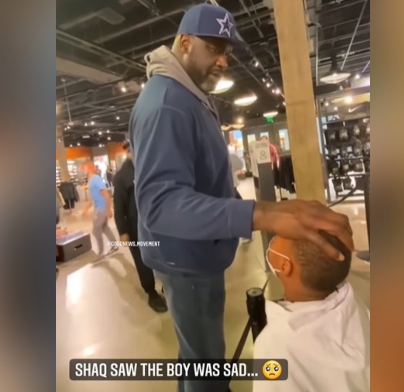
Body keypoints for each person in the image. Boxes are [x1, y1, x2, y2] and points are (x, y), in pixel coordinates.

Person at [129, 4, 354, 392]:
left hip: (202, 253)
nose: (223, 60)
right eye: (214, 48)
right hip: (186, 261)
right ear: (184, 43)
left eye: (227, 51)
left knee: (197, 354)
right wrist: (260, 213)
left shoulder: (191, 94)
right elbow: (159, 205)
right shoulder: (166, 105)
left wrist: (234, 197)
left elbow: (204, 170)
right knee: (205, 364)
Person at [252, 232, 370, 392]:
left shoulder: (274, 344)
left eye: (278, 237)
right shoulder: (355, 305)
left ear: (285, 266)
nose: (272, 240)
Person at [112, 142, 168, 313]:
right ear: (128, 152)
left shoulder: (150, 168)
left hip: (157, 223)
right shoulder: (122, 177)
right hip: (136, 228)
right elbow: (119, 206)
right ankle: (151, 292)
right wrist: (123, 232)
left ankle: (167, 285)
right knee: (142, 261)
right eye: (132, 150)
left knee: (163, 255)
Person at [81, 162, 118, 257]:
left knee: (96, 230)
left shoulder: (96, 179)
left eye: (84, 169)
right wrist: (85, 210)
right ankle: (114, 245)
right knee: (104, 228)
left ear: (89, 169)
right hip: (99, 208)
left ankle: (101, 252)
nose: (82, 171)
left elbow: (106, 194)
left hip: (102, 208)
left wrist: (108, 209)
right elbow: (91, 199)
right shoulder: (90, 181)